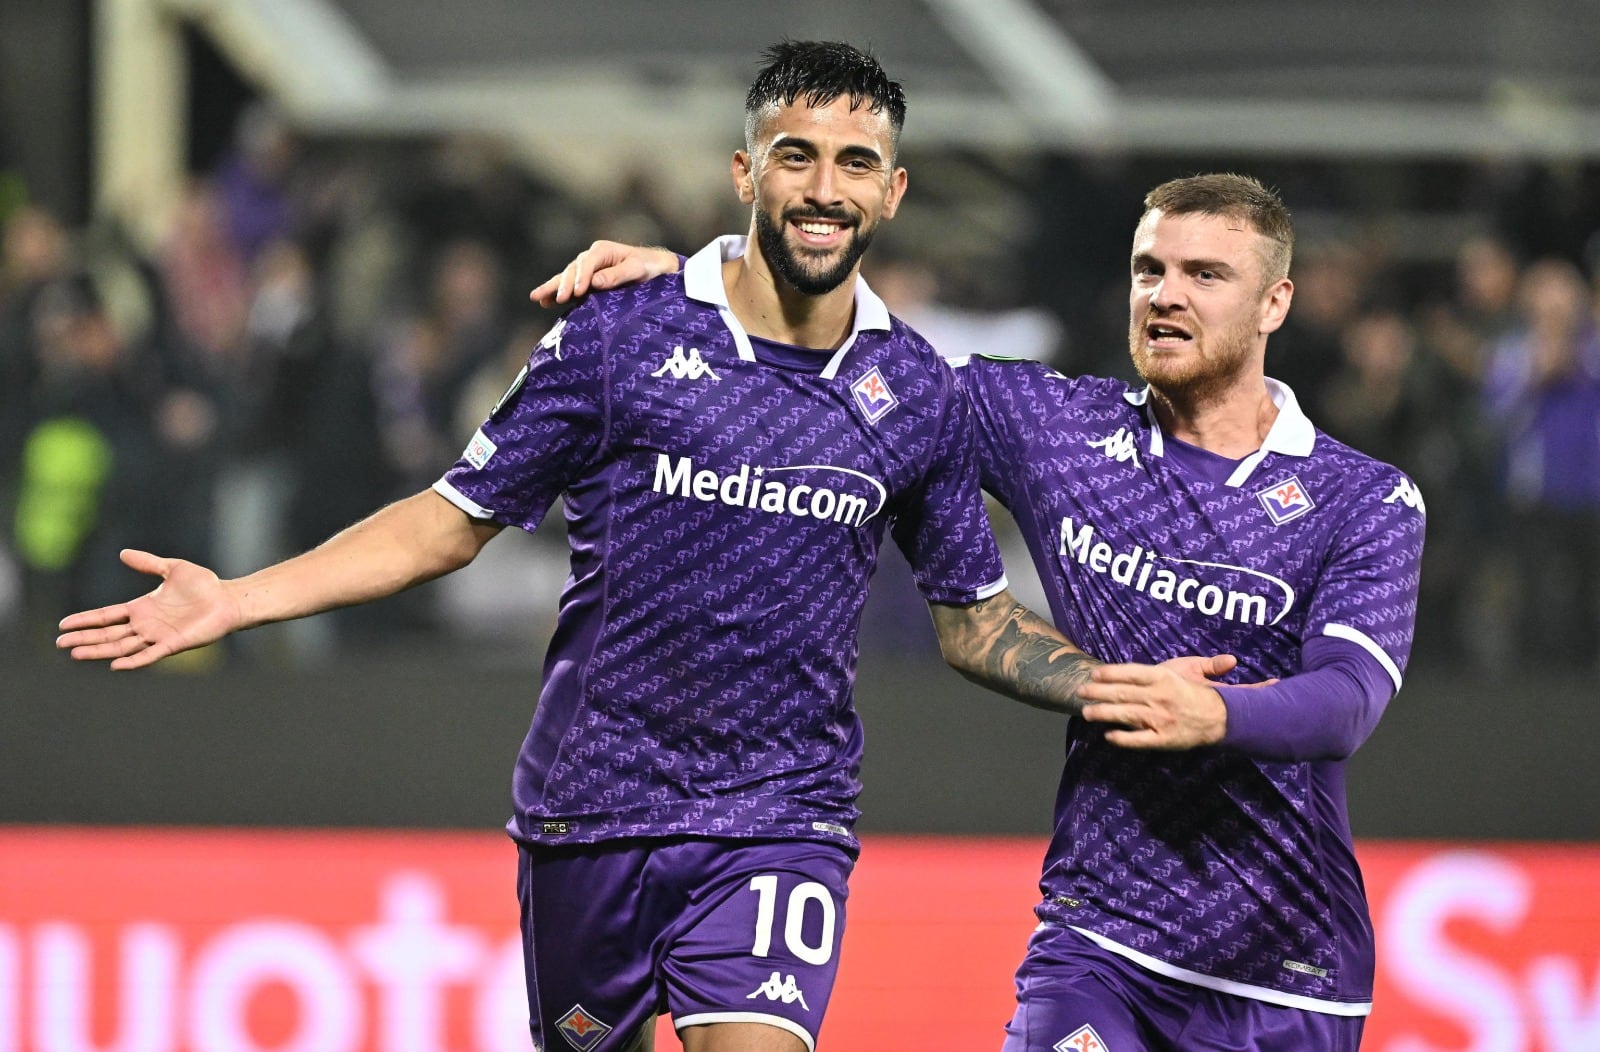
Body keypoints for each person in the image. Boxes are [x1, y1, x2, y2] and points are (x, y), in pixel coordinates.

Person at [57, 42, 1228, 1052]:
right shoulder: (617, 336)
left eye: (855, 163)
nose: (825, 188)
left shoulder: (912, 389)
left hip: (782, 814)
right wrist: (237, 599)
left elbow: (972, 616)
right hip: (592, 809)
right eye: (797, 156)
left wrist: (1116, 687)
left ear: (895, 190)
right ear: (745, 173)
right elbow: (449, 519)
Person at [531, 172, 1426, 1050]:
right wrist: (708, 289)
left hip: (1284, 966)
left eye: (1205, 276)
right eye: (1149, 269)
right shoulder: (1058, 430)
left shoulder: (1361, 500)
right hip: (1097, 939)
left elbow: (1347, 699)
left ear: (1275, 303)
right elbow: (855, 365)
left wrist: (1217, 712)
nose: (1165, 296)